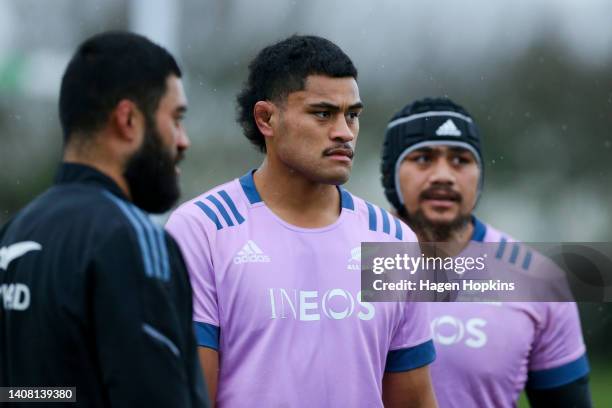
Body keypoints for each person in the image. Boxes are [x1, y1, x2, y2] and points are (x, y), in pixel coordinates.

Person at [166, 35, 437, 407]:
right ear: (266, 118)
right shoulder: (202, 230)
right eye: (323, 113)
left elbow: (413, 401)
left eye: (352, 115)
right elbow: (191, 398)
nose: (344, 132)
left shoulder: (389, 239)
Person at [0, 31, 209, 407]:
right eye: (176, 119)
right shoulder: (134, 240)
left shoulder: (14, 234)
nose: (183, 140)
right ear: (128, 119)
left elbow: (26, 393)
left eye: (353, 115)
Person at [380, 97, 592, 407]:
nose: (444, 175)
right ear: (390, 174)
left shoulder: (535, 278)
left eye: (460, 160)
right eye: (423, 158)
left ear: (480, 176)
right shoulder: (348, 262)